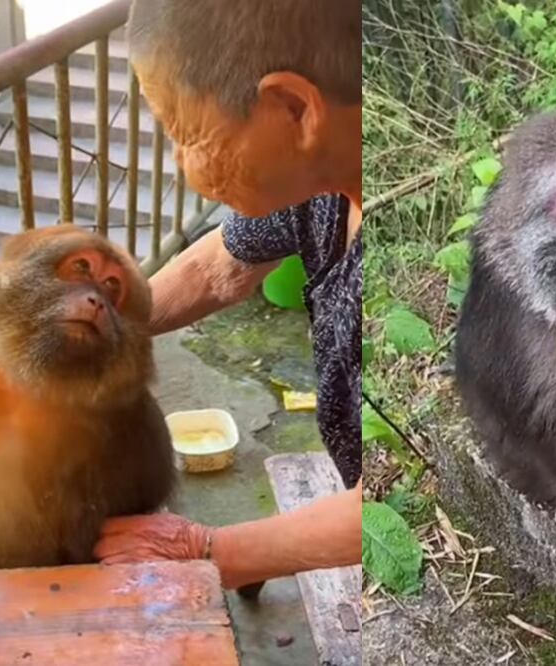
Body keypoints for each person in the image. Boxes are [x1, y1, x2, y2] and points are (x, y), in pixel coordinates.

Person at [93, 0, 362, 591]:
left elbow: (408, 508)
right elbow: (220, 267)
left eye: (183, 131)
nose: (181, 162)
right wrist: (107, 328)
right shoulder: (323, 177)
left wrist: (213, 550)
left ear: (293, 108)